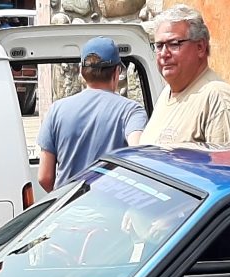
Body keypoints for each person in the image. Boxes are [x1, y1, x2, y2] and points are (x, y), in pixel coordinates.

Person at [36, 37, 147, 192]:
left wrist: (64, 197)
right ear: (117, 72)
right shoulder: (131, 111)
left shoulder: (56, 110)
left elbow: (44, 177)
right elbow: (140, 155)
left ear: (82, 72)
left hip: (69, 205)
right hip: (112, 204)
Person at [138, 4, 230, 148]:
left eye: (174, 44)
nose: (164, 54)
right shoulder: (167, 93)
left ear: (200, 47)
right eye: (159, 46)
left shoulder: (217, 98)